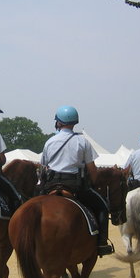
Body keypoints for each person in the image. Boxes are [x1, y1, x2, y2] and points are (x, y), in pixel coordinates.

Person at [39, 105, 114, 256]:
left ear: (58, 122)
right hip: (75, 186)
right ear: (74, 122)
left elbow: (43, 167)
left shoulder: (50, 141)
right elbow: (92, 170)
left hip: (51, 185)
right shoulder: (83, 141)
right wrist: (95, 183)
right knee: (102, 207)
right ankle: (101, 243)